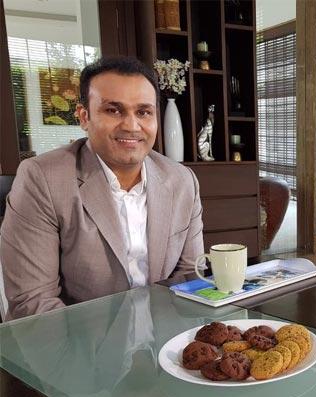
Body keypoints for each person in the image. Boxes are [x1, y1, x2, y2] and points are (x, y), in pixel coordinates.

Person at [0, 56, 204, 320]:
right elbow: (33, 302)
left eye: (143, 112)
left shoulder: (182, 180)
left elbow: (190, 277)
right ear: (84, 117)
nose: (131, 126)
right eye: (113, 110)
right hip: (80, 337)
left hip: (164, 334)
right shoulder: (42, 179)